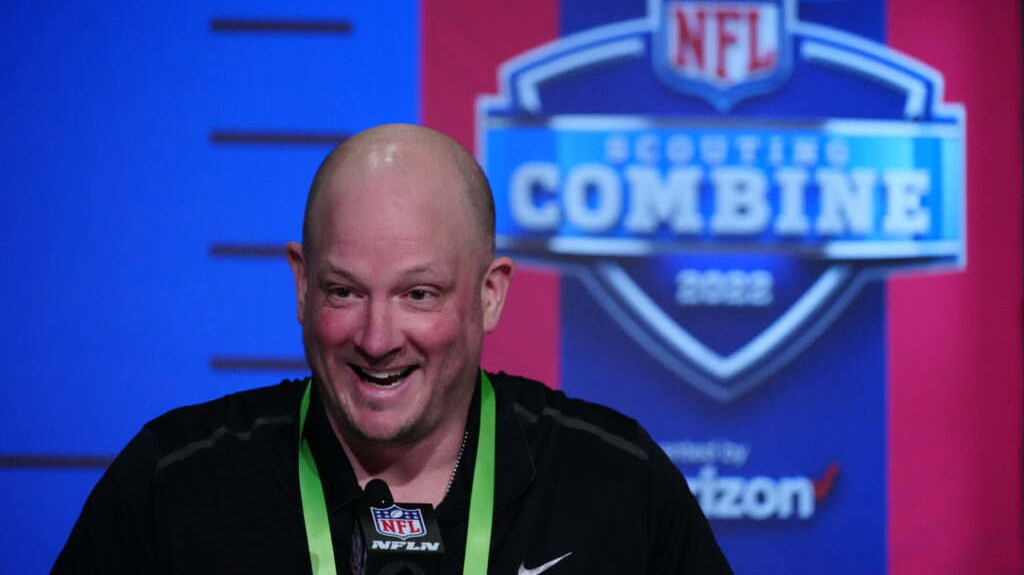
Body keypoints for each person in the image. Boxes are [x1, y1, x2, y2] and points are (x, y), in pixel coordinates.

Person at [54, 124, 731, 573]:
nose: (377, 339)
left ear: (490, 293)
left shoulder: (617, 482)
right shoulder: (173, 484)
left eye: (419, 294)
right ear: (301, 284)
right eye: (345, 291)